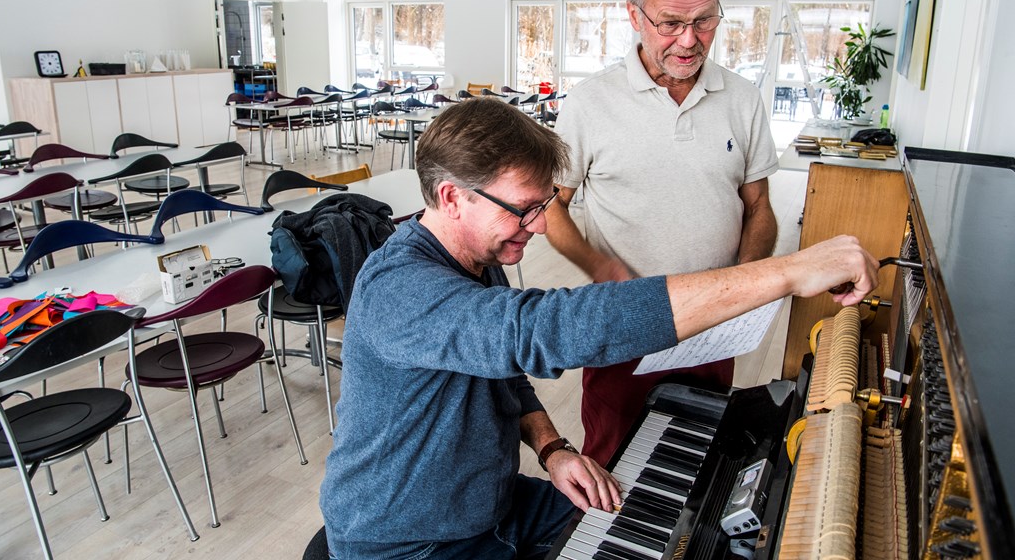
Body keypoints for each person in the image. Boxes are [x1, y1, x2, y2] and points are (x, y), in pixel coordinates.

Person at [319, 98, 877, 560]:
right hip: (405, 541)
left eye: (542, 205)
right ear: (451, 197)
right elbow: (539, 333)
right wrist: (784, 272)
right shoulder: (400, 288)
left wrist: (553, 448)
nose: (537, 227)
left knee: (648, 524)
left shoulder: (477, 258)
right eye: (522, 209)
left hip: (492, 507)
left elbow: (505, 376)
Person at [547, 0, 779, 465]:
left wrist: (745, 280)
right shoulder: (589, 104)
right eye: (670, 22)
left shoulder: (743, 99)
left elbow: (758, 206)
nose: (689, 40)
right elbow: (552, 208)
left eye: (705, 20)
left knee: (699, 465)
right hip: (623, 326)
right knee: (613, 470)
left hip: (714, 326)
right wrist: (602, 269)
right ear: (634, 15)